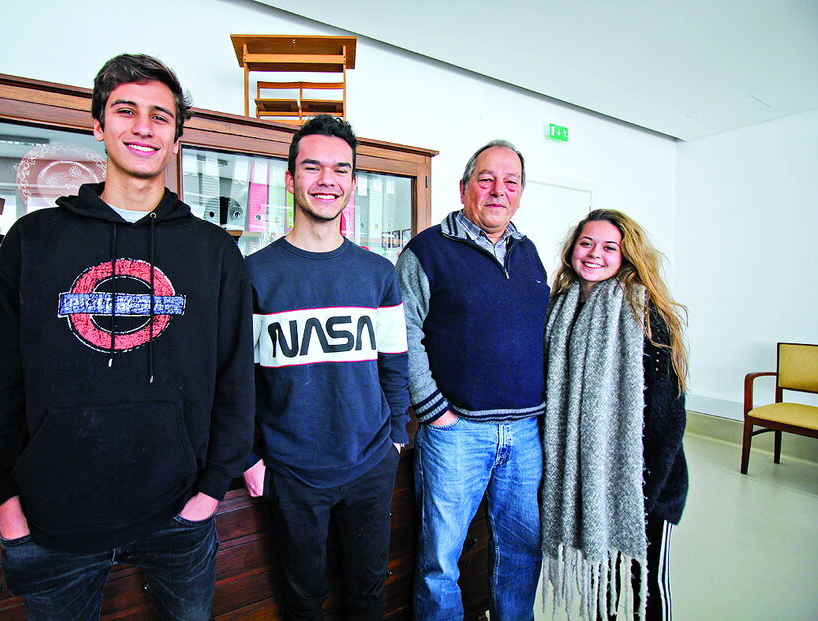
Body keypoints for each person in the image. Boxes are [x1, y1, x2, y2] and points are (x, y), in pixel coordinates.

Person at [0, 54, 255, 620]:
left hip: (180, 513)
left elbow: (235, 381)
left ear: (177, 137)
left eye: (161, 116)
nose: (144, 127)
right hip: (53, 519)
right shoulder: (35, 240)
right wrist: (6, 500)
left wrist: (207, 495)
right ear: (98, 126)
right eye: (126, 111)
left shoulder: (214, 252)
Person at [241, 114, 410, 621]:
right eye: (312, 168)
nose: (326, 180)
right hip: (291, 470)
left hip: (369, 463)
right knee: (303, 599)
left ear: (353, 184)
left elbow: (395, 364)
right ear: (290, 179)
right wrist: (250, 457)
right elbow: (237, 381)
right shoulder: (254, 274)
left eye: (340, 169)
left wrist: (397, 437)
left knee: (368, 594)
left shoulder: (378, 273)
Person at [396, 140, 549, 621]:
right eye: (486, 179)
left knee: (522, 553)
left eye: (510, 182)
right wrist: (433, 410)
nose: (498, 191)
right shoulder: (426, 251)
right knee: (440, 560)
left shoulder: (530, 253)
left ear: (521, 193)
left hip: (525, 433)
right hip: (456, 432)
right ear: (464, 188)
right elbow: (402, 333)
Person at [540, 209, 689, 621]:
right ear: (572, 249)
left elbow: (667, 416)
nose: (594, 254)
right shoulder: (559, 310)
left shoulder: (645, 315)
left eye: (610, 247)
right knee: (602, 580)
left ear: (627, 257)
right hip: (586, 481)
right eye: (586, 243)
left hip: (645, 484)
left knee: (647, 585)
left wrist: (646, 493)